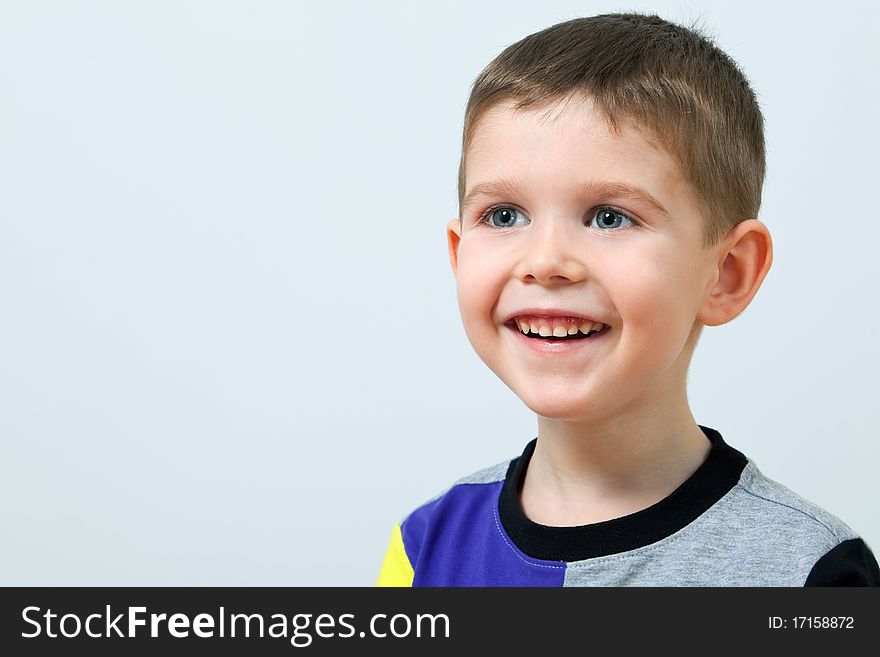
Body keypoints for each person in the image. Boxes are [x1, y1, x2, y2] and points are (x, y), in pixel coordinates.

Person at [375, 12, 879, 586]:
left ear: (726, 273)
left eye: (609, 217)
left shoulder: (810, 572)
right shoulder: (424, 548)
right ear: (458, 253)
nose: (544, 262)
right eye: (504, 215)